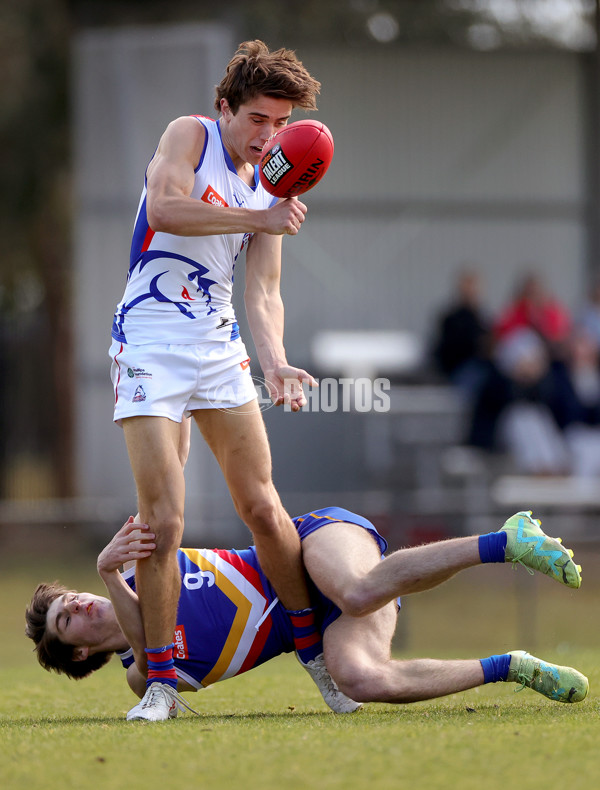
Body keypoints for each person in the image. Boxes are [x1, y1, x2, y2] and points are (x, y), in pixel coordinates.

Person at [107, 41, 332, 719]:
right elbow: (168, 207)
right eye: (259, 119)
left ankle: (317, 658)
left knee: (263, 506)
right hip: (149, 342)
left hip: (217, 348)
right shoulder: (189, 135)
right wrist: (258, 216)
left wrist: (276, 361)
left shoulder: (274, 183)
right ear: (226, 108)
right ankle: (162, 685)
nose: (269, 135)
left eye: (280, 123)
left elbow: (261, 293)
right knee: (163, 520)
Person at [26, 508, 588, 720]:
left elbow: (153, 588)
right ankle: (512, 667)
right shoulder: (143, 677)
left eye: (68, 597)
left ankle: (506, 540)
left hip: (310, 542)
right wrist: (104, 574)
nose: (74, 603)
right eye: (65, 619)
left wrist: (112, 572)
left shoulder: (145, 572)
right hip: (320, 624)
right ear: (79, 651)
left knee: (359, 590)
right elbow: (148, 642)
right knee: (363, 678)